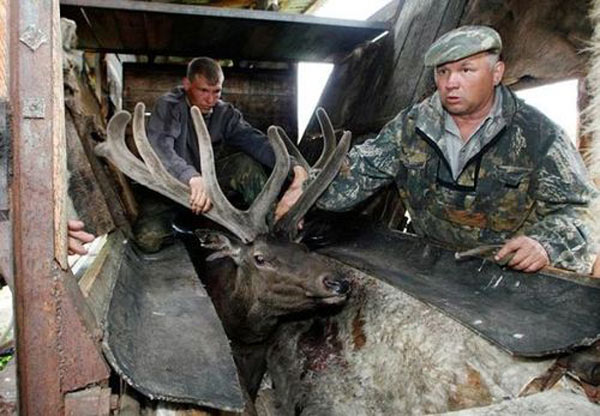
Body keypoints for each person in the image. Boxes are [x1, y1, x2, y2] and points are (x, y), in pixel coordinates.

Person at [276, 25, 598, 274]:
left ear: (497, 72)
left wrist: (545, 244)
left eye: (465, 70)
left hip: (505, 277)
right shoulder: (411, 127)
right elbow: (359, 171)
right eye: (443, 72)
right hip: (429, 267)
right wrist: (307, 188)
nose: (450, 83)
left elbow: (583, 212)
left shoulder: (538, 135)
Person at [147, 56, 306, 215]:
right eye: (203, 91)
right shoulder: (169, 106)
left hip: (209, 183)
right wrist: (191, 177)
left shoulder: (225, 113)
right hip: (170, 185)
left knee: (244, 165)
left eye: (217, 91)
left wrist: (294, 167)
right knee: (150, 236)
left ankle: (274, 223)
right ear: (187, 84)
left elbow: (255, 142)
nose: (210, 100)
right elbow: (160, 148)